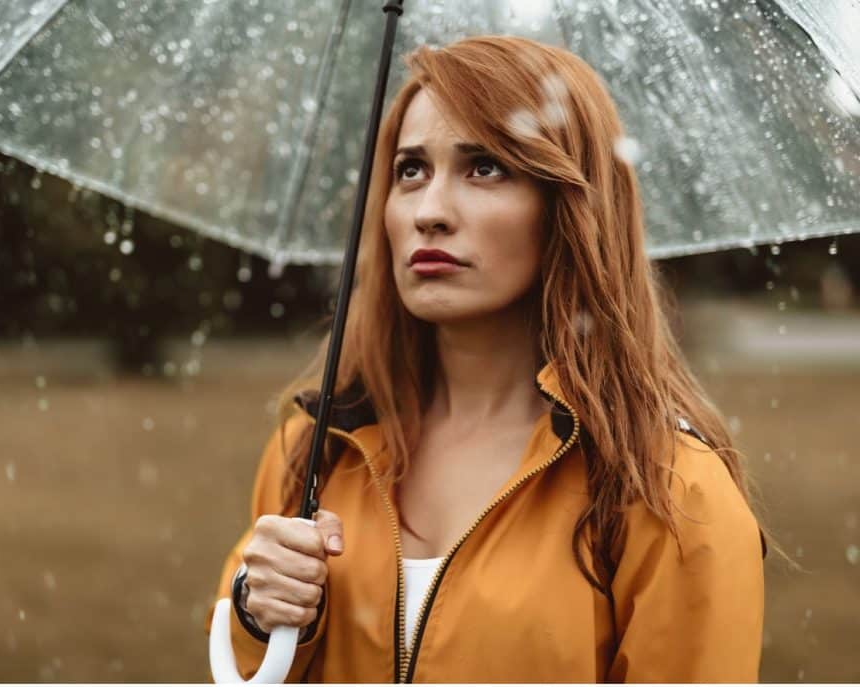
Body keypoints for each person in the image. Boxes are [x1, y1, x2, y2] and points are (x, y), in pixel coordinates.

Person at [206, 35, 772, 682]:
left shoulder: (669, 491)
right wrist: (261, 621)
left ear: (570, 209)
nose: (430, 211)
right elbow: (244, 671)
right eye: (410, 170)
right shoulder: (315, 450)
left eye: (484, 167)